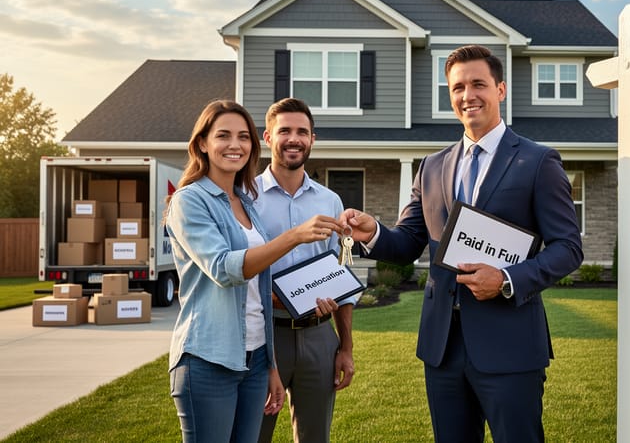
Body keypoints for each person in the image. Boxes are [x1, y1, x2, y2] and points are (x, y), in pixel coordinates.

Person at [342, 45, 584, 443]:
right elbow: (409, 242)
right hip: (443, 348)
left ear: (500, 89)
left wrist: (506, 279)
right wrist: (374, 233)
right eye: (457, 87)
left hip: (510, 346)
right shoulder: (431, 166)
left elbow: (568, 247)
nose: (467, 95)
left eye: (478, 84)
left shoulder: (538, 161)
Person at [166, 100, 344, 442]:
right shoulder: (189, 200)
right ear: (202, 143)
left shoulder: (245, 202)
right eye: (223, 135)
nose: (235, 144)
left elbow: (260, 286)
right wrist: (295, 236)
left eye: (243, 137)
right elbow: (224, 269)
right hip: (209, 357)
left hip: (256, 357)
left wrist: (269, 364)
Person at [255, 98, 357, 443]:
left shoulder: (330, 201)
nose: (294, 139)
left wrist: (345, 348)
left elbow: (341, 279)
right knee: (254, 434)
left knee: (315, 437)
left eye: (302, 132)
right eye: (285, 130)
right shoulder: (246, 197)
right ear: (268, 137)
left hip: (319, 337)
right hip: (265, 336)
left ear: (312, 139)